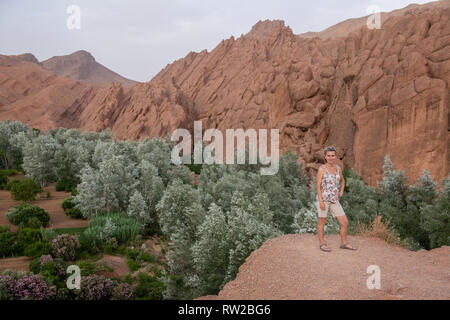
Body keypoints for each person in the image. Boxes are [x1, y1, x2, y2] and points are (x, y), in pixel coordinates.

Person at [315, 146, 356, 252]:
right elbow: (318, 186)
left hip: (334, 200)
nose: (331, 157)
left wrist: (341, 191)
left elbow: (342, 180)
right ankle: (322, 243)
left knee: (344, 222)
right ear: (325, 157)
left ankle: (343, 243)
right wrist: (320, 201)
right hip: (324, 199)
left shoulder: (338, 168)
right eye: (328, 156)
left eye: (332, 155)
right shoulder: (322, 169)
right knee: (322, 221)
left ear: (336, 156)